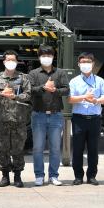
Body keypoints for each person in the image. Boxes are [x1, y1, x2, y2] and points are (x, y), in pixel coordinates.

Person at [0, 50, 32, 188]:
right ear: (4, 62)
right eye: (8, 60)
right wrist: (2, 93)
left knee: (18, 149)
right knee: (3, 149)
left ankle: (18, 176)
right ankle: (5, 176)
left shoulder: (23, 78)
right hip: (2, 119)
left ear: (17, 61)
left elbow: (28, 95)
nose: (10, 62)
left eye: (13, 60)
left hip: (19, 119)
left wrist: (15, 97)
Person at [28, 45, 70, 187]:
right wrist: (43, 88)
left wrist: (55, 90)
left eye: (49, 55)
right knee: (38, 148)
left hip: (56, 115)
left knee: (55, 148)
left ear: (53, 57)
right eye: (44, 55)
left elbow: (66, 90)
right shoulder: (33, 73)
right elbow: (30, 90)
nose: (46, 58)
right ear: (39, 57)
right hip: (38, 115)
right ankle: (39, 175)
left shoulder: (60, 73)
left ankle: (53, 175)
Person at [68, 52, 104, 186]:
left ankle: (92, 176)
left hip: (94, 119)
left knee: (93, 149)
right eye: (83, 62)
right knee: (78, 149)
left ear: (93, 64)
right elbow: (70, 99)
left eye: (88, 62)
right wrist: (84, 97)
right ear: (78, 64)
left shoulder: (99, 81)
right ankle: (78, 176)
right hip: (79, 119)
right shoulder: (74, 81)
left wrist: (96, 100)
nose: (86, 64)